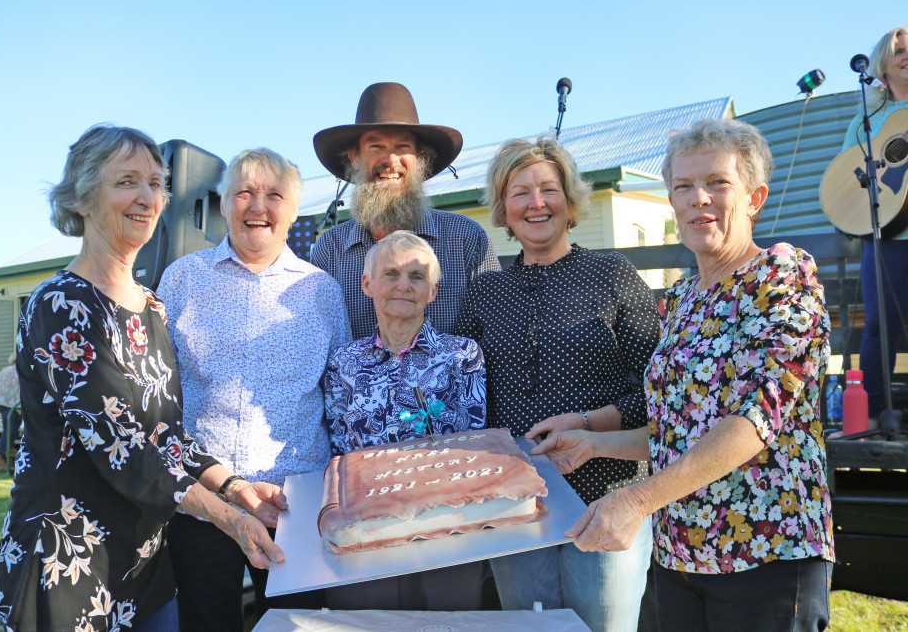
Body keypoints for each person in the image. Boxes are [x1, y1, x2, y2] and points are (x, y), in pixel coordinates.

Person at [533, 118, 834, 630]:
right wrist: (594, 443)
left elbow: (752, 422)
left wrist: (635, 499)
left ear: (754, 198)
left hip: (765, 553)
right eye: (683, 187)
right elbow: (678, 430)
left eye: (718, 183)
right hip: (679, 557)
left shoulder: (781, 278)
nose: (699, 198)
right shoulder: (679, 300)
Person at [0, 125, 285, 631]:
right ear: (83, 198)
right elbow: (120, 446)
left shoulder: (152, 307)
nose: (148, 197)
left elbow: (165, 436)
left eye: (156, 183)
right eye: (127, 181)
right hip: (69, 564)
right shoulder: (60, 305)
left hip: (144, 565)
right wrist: (228, 518)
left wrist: (235, 487)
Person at [455, 136, 659, 632]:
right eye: (519, 192)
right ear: (503, 210)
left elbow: (661, 388)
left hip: (606, 497)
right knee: (529, 628)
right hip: (517, 505)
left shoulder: (610, 273)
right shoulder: (485, 291)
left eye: (549, 189)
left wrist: (591, 424)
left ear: (570, 203)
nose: (536, 202)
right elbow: (463, 396)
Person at [157, 147, 351, 630]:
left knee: (297, 626)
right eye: (244, 193)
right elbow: (160, 388)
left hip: (295, 505)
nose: (258, 206)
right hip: (205, 503)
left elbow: (341, 393)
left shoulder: (321, 289)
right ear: (223, 205)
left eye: (273, 195)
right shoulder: (182, 279)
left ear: (293, 210)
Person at [324, 230, 487, 610]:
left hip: (445, 532)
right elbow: (338, 453)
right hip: (365, 537)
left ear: (433, 290)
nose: (403, 286)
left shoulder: (462, 357)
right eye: (391, 274)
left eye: (417, 277)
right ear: (367, 284)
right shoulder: (343, 363)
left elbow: (474, 447)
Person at [311, 82, 500, 340]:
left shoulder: (467, 240)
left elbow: (497, 338)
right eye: (376, 147)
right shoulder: (329, 251)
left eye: (402, 147)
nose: (390, 160)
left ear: (420, 159)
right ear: (354, 158)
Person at [842, 26, 908, 419]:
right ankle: (868, 416)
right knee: (879, 328)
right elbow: (847, 181)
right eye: (898, 49)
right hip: (887, 238)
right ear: (881, 65)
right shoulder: (867, 121)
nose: (906, 54)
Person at [0, 352, 20, 468]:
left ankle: (10, 446)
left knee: (17, 419)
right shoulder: (20, 371)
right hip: (8, 402)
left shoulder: (5, 369)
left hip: (0, 400)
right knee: (8, 428)